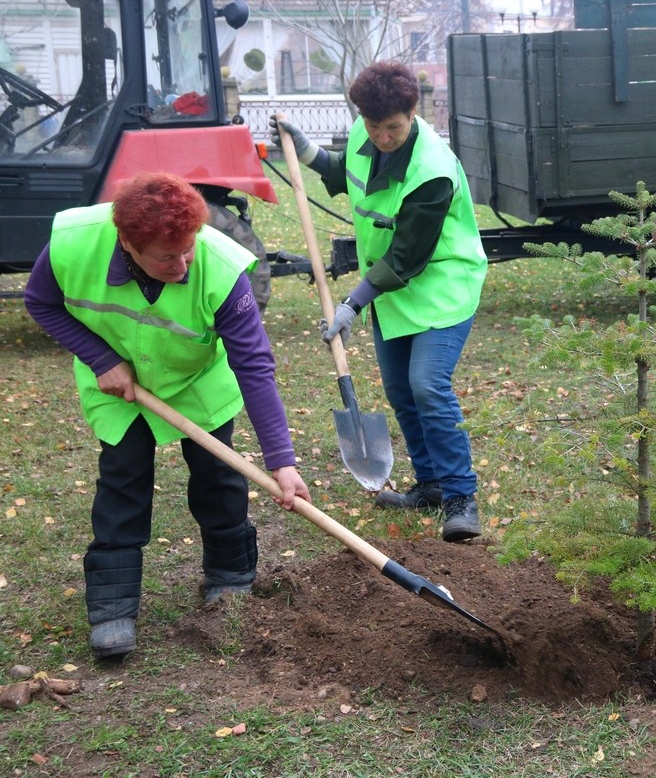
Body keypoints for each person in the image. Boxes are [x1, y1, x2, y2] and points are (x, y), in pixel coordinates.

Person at [24, 171, 311, 658]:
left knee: (218, 475)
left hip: (197, 380)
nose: (182, 265)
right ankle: (113, 608)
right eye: (166, 257)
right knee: (122, 479)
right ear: (127, 244)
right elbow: (41, 304)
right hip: (122, 383)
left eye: (188, 248)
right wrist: (100, 360)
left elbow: (254, 366)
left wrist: (282, 461)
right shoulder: (73, 245)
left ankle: (230, 576)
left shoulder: (221, 269)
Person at [270, 60, 488, 542]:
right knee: (400, 391)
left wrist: (353, 301)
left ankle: (460, 497)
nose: (383, 137)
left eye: (393, 127)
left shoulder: (431, 169)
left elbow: (408, 254)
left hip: (441, 284)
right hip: (392, 290)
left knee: (427, 385)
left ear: (413, 113)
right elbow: (345, 173)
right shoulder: (363, 133)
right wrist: (304, 148)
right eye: (374, 126)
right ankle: (429, 484)